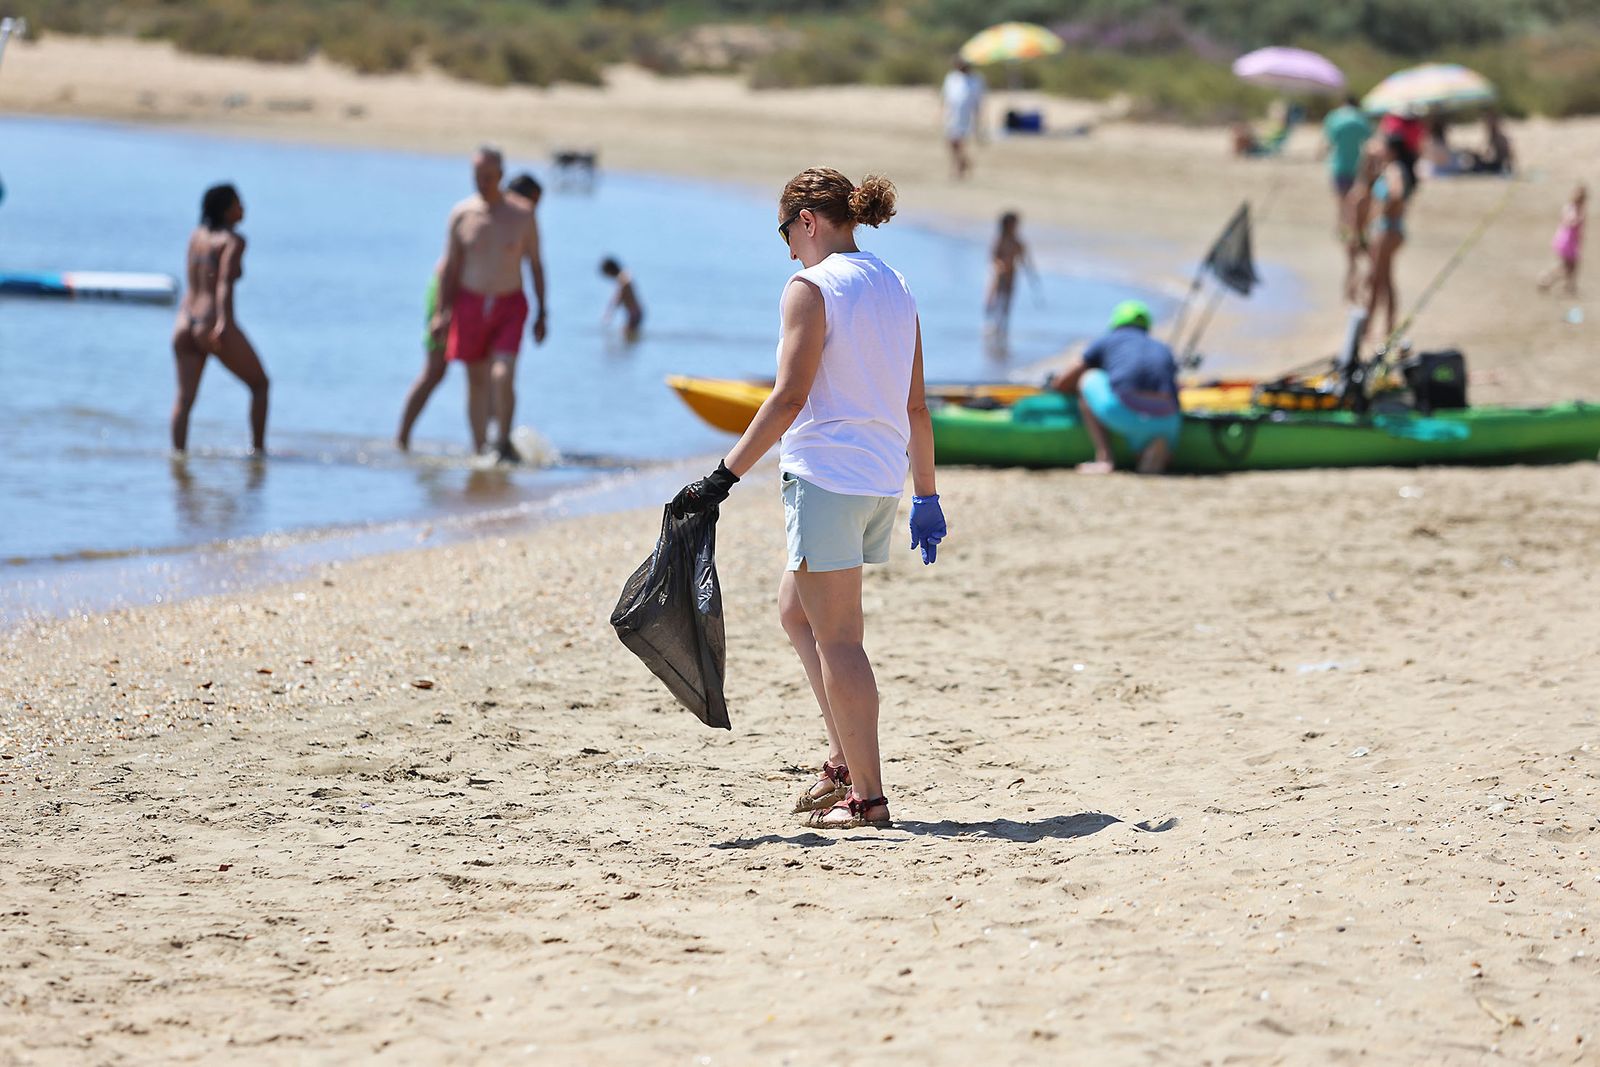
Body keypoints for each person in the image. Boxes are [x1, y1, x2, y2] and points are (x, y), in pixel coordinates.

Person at [669, 168, 945, 831]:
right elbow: (915, 405)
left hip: (827, 479)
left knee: (841, 639)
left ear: (809, 221)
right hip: (878, 479)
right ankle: (844, 759)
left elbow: (788, 397)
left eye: (786, 232)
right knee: (797, 611)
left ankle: (870, 797)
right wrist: (925, 496)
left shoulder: (811, 287)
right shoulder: (895, 284)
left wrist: (722, 477)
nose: (789, 249)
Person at [398, 172, 542, 452]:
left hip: (481, 303)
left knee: (488, 373)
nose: (534, 212)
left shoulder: (520, 220)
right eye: (534, 203)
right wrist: (444, 311)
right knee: (436, 370)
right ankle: (401, 440)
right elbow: (451, 270)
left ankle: (488, 444)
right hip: (447, 294)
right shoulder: (484, 214)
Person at [431, 147, 547, 463]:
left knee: (502, 374)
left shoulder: (522, 214)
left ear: (501, 176)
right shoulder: (462, 214)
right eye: (477, 176)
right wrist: (442, 313)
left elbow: (536, 264)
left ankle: (502, 443)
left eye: (489, 177)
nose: (482, 183)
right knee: (476, 380)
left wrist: (542, 311)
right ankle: (481, 449)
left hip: (509, 304)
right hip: (469, 303)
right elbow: (451, 268)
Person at [170, 183, 270, 455]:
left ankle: (178, 462)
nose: (244, 208)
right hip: (212, 321)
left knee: (185, 399)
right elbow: (224, 282)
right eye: (238, 203)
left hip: (183, 322)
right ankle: (258, 454)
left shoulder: (197, 236)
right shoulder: (233, 241)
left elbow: (194, 278)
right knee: (260, 385)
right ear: (226, 210)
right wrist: (224, 322)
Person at [1049, 300, 1180, 475]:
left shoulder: (1107, 341)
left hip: (1127, 413)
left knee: (1089, 378)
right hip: (1170, 418)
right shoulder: (1162, 347)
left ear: (1115, 323)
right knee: (1148, 400)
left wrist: (1057, 387)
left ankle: (1104, 458)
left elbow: (1064, 381)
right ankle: (1150, 450)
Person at [1364, 134, 1416, 344]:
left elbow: (1396, 194)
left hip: (1387, 230)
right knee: (1384, 279)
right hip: (1389, 230)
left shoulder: (1394, 169)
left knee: (1376, 280)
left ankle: (1368, 328)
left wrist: (1382, 214)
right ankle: (1388, 326)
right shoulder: (1390, 168)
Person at [984, 211, 1032, 338]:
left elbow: (1025, 260)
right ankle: (992, 326)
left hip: (1011, 276)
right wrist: (1000, 266)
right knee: (994, 301)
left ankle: (1002, 327)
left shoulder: (1018, 242)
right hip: (998, 275)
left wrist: (1031, 277)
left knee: (1006, 303)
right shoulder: (999, 240)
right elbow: (993, 257)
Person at [941, 57, 985, 180]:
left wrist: (978, 118)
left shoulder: (976, 79)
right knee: (951, 142)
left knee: (961, 142)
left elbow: (978, 100)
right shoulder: (952, 78)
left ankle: (959, 168)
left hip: (966, 115)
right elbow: (945, 96)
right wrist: (941, 112)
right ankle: (963, 163)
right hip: (951, 113)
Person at [1539, 184, 1586, 296]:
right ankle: (1546, 279)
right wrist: (1576, 221)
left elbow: (1581, 228)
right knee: (1566, 267)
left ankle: (1570, 286)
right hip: (1566, 241)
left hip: (1572, 242)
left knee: (1574, 266)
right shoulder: (1570, 208)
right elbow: (1568, 222)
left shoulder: (1581, 210)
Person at [599, 256, 644, 340]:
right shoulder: (624, 276)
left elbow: (619, 296)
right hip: (636, 312)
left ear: (610, 271)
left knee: (627, 334)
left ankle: (628, 352)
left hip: (634, 313)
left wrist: (610, 312)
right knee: (628, 334)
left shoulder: (623, 278)